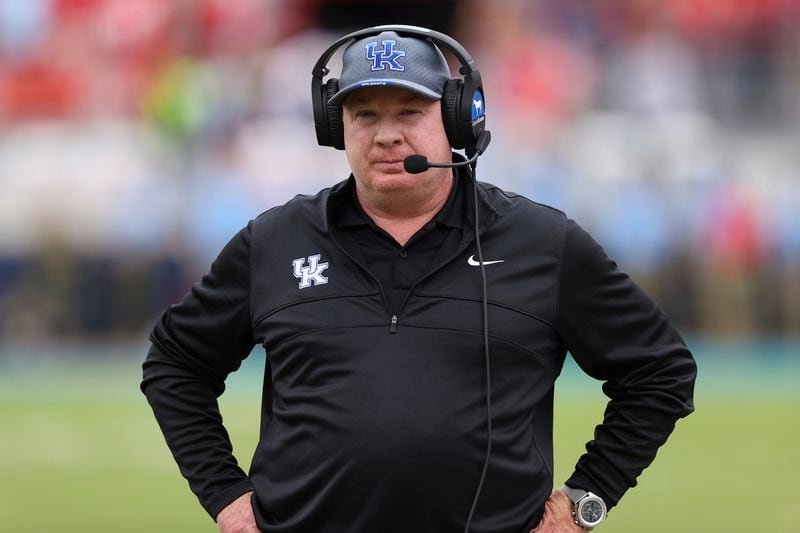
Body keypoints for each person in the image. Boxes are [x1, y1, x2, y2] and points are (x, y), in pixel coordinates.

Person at [141, 25, 696, 533]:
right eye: (364, 115)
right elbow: (176, 362)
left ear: (456, 119)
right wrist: (226, 497)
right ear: (337, 127)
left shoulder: (542, 244)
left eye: (409, 112)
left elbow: (660, 372)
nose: (386, 135)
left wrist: (583, 503)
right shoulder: (275, 241)